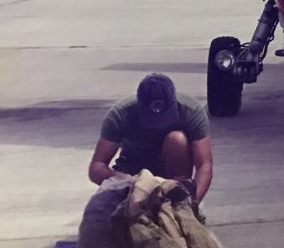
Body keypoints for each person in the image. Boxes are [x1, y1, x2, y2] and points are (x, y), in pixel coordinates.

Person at [89, 73, 213, 201]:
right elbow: (96, 167)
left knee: (177, 139)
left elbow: (204, 165)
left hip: (170, 173)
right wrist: (130, 181)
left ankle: (177, 194)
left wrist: (192, 202)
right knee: (100, 210)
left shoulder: (191, 112)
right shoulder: (120, 115)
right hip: (133, 172)